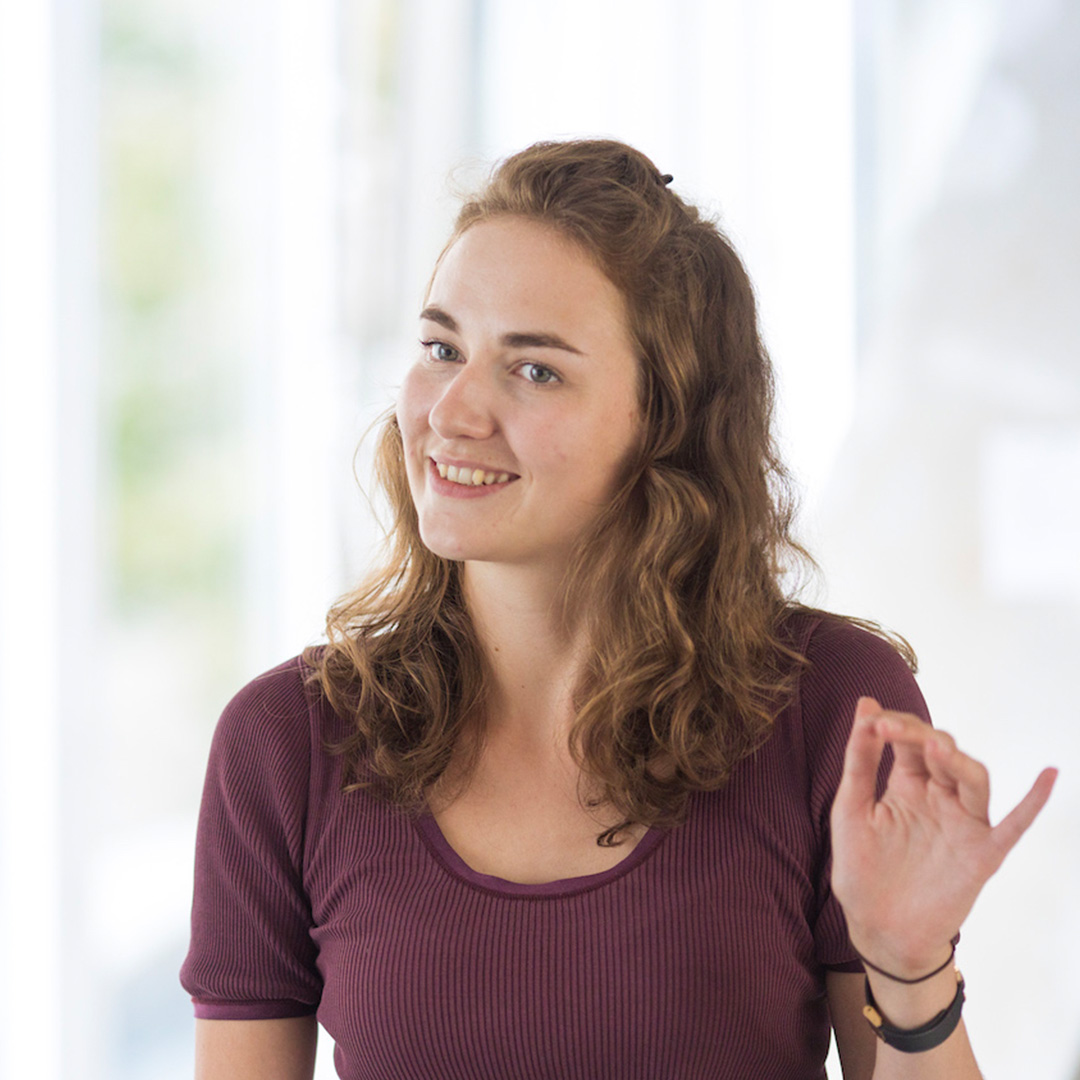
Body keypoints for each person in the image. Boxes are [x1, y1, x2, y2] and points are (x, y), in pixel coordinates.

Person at [180, 139, 1057, 1080]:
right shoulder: (286, 745)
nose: (453, 410)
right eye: (441, 348)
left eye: (536, 371)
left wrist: (911, 968)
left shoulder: (829, 711)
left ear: (666, 422)